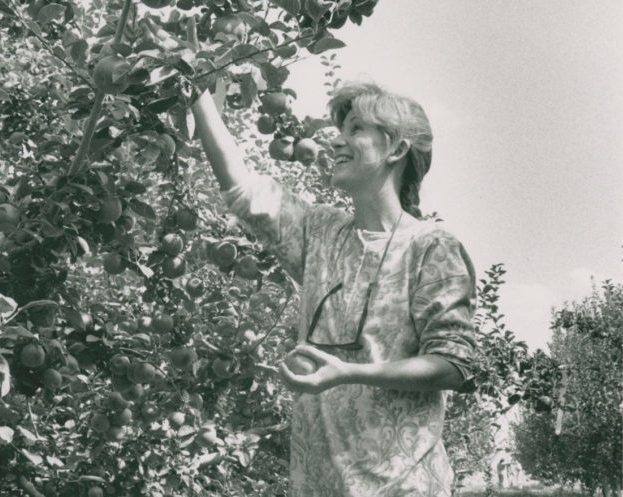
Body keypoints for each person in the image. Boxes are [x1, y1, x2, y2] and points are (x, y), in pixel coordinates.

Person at [188, 79, 478, 497]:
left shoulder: (430, 249)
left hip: (404, 487)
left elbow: (454, 363)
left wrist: (348, 374)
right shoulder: (320, 232)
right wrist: (196, 88)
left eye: (357, 129)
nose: (337, 142)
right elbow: (242, 189)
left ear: (396, 150)